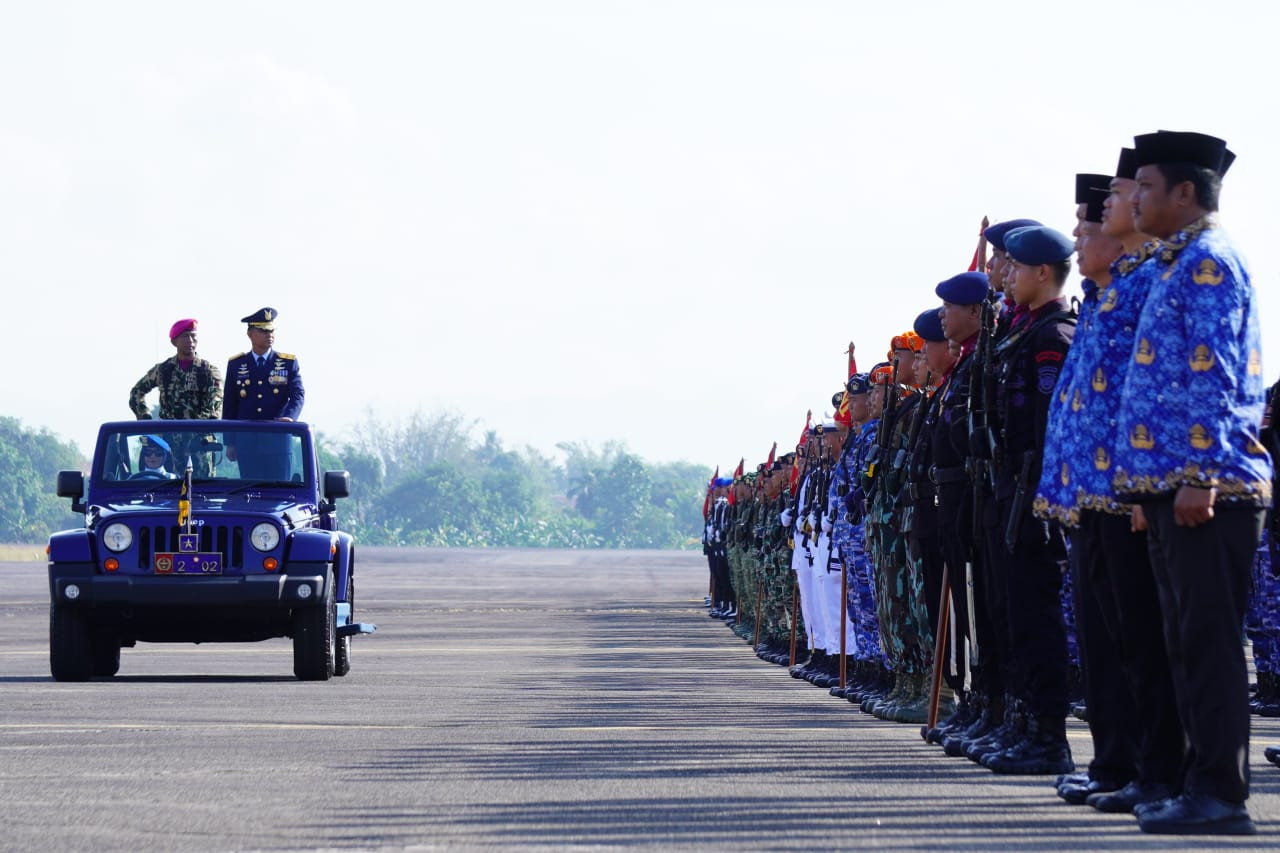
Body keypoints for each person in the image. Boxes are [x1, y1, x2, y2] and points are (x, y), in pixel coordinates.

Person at [1112, 130, 1270, 836]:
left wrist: (1200, 476)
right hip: (1172, 486)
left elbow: (1216, 376)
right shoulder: (1178, 263)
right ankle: (1194, 781)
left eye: (1146, 185)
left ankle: (1220, 793)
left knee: (1207, 642)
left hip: (1209, 488)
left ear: (1184, 192)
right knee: (1183, 640)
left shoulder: (1208, 263)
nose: (1136, 198)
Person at [223, 308, 305, 480]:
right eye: (263, 330)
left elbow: (297, 394)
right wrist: (229, 441)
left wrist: (290, 417)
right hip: (246, 443)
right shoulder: (237, 364)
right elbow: (230, 404)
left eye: (271, 330)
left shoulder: (287, 363)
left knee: (279, 492)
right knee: (250, 495)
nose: (269, 335)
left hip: (277, 443)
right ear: (250, 334)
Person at [128, 318, 224, 421]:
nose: (190, 340)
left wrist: (207, 423)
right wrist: (146, 418)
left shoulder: (209, 371)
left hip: (200, 434)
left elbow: (217, 400)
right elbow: (136, 392)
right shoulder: (162, 370)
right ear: (174, 342)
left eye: (193, 335)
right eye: (185, 336)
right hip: (168, 434)